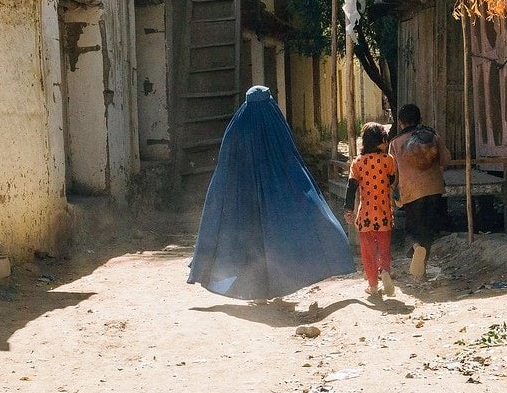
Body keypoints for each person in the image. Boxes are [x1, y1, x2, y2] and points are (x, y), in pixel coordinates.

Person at [188, 85, 354, 300]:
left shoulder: (237, 126)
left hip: (244, 198)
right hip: (276, 197)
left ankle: (258, 293)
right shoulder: (276, 125)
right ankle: (277, 288)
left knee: (252, 243)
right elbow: (291, 160)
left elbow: (226, 165)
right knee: (276, 241)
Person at [388, 104, 450, 280]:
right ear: (420, 119)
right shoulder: (432, 136)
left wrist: (393, 193)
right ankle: (421, 272)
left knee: (412, 230)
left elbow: (393, 173)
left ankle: (416, 249)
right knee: (428, 230)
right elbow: (446, 160)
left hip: (411, 192)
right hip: (434, 189)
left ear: (400, 122)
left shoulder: (395, 143)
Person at [344, 122, 396, 298]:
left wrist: (348, 210)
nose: (387, 143)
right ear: (380, 141)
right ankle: (386, 271)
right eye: (385, 139)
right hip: (384, 214)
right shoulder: (388, 160)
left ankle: (373, 285)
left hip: (365, 215)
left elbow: (351, 188)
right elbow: (392, 180)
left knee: (367, 253)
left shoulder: (357, 163)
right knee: (384, 248)